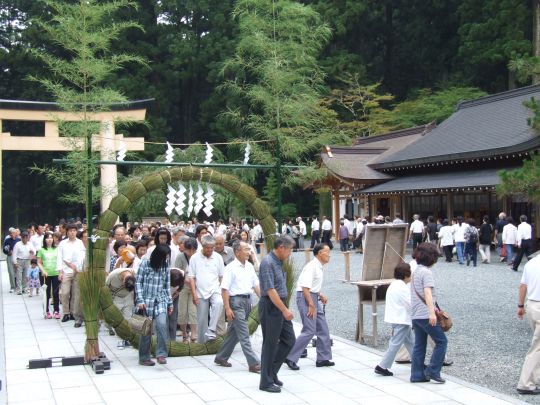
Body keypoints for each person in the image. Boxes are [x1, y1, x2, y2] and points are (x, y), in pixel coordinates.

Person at [284, 243, 334, 371]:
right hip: (306, 298)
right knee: (309, 330)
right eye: (326, 252)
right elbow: (305, 287)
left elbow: (312, 286)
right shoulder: (311, 266)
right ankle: (290, 357)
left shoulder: (319, 266)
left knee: (323, 327)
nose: (329, 254)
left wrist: (319, 295)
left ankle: (323, 358)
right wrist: (311, 304)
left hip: (313, 297)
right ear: (319, 253)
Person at [214, 241, 261, 373]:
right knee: (244, 333)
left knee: (234, 333)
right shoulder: (230, 268)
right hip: (235, 302)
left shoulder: (250, 267)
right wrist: (227, 308)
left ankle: (221, 357)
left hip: (247, 302)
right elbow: (224, 290)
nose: (249, 252)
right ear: (237, 252)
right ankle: (254, 363)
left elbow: (256, 285)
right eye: (246, 249)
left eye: (249, 249)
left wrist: (263, 299)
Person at [258, 235, 296, 393]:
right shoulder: (267, 262)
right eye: (289, 250)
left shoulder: (279, 261)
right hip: (271, 306)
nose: (290, 254)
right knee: (270, 344)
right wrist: (284, 310)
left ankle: (272, 372)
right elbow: (270, 290)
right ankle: (265, 382)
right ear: (281, 247)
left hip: (280, 305)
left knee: (289, 339)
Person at [410, 243, 447, 384]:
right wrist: (432, 312)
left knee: (419, 345)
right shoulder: (426, 272)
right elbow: (427, 292)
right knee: (442, 342)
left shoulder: (416, 271)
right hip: (425, 314)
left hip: (416, 314)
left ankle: (417, 374)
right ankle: (433, 370)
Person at [135, 244, 174, 366]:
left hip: (161, 299)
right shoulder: (144, 264)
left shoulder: (165, 266)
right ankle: (144, 357)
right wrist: (140, 300)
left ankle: (161, 354)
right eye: (165, 256)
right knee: (146, 330)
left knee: (162, 324)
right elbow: (138, 283)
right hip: (146, 301)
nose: (166, 259)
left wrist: (170, 303)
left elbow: (167, 286)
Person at [375, 262, 413, 376]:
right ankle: (382, 366)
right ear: (406, 275)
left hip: (398, 318)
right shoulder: (402, 287)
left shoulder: (395, 284)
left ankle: (418, 362)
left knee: (412, 342)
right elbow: (409, 304)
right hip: (401, 319)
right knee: (395, 343)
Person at [188, 234, 225, 342]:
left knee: (219, 303)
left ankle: (212, 330)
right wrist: (194, 294)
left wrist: (222, 291)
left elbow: (221, 276)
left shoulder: (218, 257)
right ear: (203, 247)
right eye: (207, 248)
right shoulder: (194, 258)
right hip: (200, 291)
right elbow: (191, 277)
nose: (209, 250)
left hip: (215, 289)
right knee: (202, 318)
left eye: (211, 248)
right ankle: (202, 342)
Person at [516, 254, 540, 395]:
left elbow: (523, 285)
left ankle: (534, 376)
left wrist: (520, 305)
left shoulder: (531, 263)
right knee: (537, 347)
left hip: (532, 304)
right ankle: (525, 383)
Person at [57, 223, 86, 323]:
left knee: (75, 293)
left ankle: (74, 312)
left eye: (74, 231)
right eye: (70, 231)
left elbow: (82, 257)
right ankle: (66, 312)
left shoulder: (80, 243)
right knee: (64, 292)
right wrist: (60, 271)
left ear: (76, 232)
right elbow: (59, 257)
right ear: (67, 232)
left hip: (77, 271)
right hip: (66, 271)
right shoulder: (62, 243)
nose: (72, 232)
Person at [174, 237, 199, 342]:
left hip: (197, 288)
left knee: (193, 311)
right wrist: (188, 281)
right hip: (183, 287)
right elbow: (177, 273)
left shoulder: (198, 257)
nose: (191, 252)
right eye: (189, 250)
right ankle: (184, 334)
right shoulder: (180, 257)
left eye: (193, 250)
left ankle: (194, 334)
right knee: (182, 312)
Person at [38, 232, 60, 319]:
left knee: (56, 293)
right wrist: (43, 271)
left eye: (51, 238)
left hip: (56, 273)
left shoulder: (57, 249)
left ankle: (56, 311)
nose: (50, 239)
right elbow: (39, 262)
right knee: (46, 293)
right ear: (45, 240)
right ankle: (46, 311)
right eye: (47, 238)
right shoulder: (41, 250)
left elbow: (60, 261)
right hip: (45, 275)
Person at [12, 230, 34, 295]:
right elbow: (14, 254)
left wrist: (32, 252)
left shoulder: (30, 244)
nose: (25, 239)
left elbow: (34, 251)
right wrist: (15, 262)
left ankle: (25, 288)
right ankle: (19, 289)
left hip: (27, 260)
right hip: (19, 260)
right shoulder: (17, 244)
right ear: (21, 238)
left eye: (26, 238)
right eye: (23, 238)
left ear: (28, 238)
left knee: (26, 275)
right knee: (19, 275)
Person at [167, 268, 186, 341]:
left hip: (174, 297)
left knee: (173, 318)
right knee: (164, 318)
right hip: (163, 298)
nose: (175, 286)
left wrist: (175, 295)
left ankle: (172, 340)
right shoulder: (164, 276)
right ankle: (164, 340)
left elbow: (180, 288)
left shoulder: (182, 274)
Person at [3, 228, 20, 293]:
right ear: (10, 234)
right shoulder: (7, 240)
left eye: (14, 233)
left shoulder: (18, 240)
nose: (13, 234)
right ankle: (12, 286)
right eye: (12, 233)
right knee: (11, 272)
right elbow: (4, 249)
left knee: (17, 272)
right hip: (10, 257)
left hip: (17, 257)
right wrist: (8, 252)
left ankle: (18, 285)